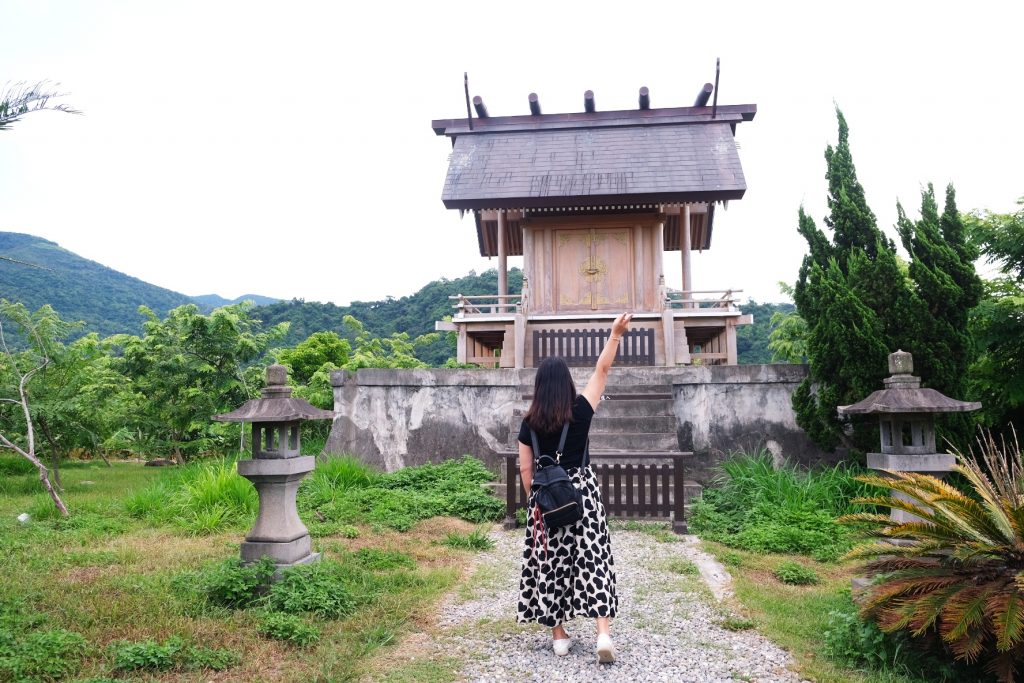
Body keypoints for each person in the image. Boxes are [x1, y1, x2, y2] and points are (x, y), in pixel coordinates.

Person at [516, 312, 633, 664]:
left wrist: (536, 501)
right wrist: (614, 334)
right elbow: (601, 372)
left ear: (539, 387)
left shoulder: (529, 423)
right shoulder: (580, 410)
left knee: (551, 565)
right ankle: (602, 633)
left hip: (547, 497)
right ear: (567, 384)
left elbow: (525, 468)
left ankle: (559, 637)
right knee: (593, 559)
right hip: (582, 493)